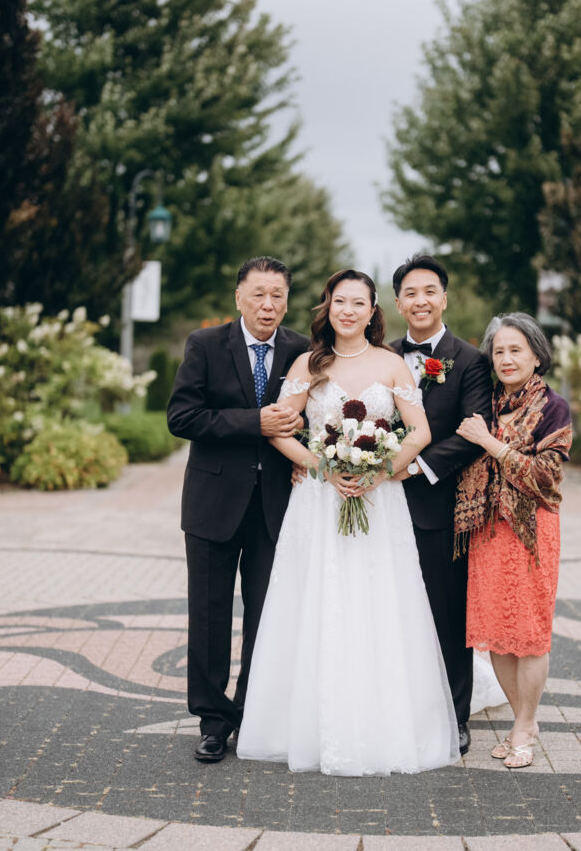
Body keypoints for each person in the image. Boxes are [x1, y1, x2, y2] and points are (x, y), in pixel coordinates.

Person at [237, 269, 460, 776]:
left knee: (378, 602)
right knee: (316, 599)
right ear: (328, 306)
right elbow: (279, 429)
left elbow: (420, 431)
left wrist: (380, 470)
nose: (348, 311)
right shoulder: (307, 363)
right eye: (340, 301)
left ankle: (383, 725)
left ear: (373, 310)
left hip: (379, 503)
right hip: (318, 501)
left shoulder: (392, 364)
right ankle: (307, 726)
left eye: (359, 302)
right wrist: (319, 466)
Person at [166, 256, 310, 764]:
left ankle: (250, 714)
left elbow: (315, 417)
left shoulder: (302, 350)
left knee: (266, 616)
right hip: (213, 504)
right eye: (258, 294)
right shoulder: (204, 344)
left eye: (277, 296)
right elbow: (182, 417)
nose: (268, 305)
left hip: (276, 506)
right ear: (239, 298)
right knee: (208, 615)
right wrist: (254, 423)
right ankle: (212, 719)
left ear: (287, 302)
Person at [454, 312, 571, 769]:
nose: (506, 358)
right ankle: (524, 721)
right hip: (486, 530)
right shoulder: (485, 402)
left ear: (537, 356)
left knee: (530, 634)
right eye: (498, 350)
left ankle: (524, 725)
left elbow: (546, 477)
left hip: (530, 532)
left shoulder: (552, 407)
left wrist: (490, 443)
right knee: (496, 635)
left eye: (516, 350)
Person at [387, 255, 492, 754]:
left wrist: (415, 468)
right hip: (382, 506)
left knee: (447, 615)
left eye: (429, 291)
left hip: (439, 506)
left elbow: (473, 432)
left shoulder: (469, 360)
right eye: (410, 293)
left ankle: (455, 714)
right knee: (390, 609)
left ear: (444, 299)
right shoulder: (382, 356)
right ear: (398, 303)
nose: (420, 301)